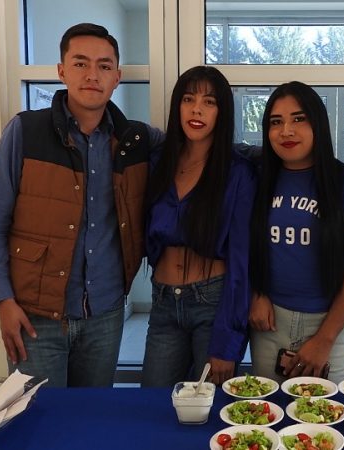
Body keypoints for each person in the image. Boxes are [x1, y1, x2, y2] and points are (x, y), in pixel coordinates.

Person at [0, 23, 164, 387]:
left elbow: (194, 147)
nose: (92, 75)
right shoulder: (25, 132)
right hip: (35, 317)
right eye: (80, 63)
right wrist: (3, 302)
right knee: (36, 415)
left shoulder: (135, 140)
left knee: (91, 416)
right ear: (61, 71)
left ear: (117, 77)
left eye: (104, 66)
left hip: (105, 316)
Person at [248, 81, 344, 384]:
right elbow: (243, 247)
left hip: (328, 324)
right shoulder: (256, 178)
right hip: (269, 322)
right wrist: (255, 294)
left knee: (322, 412)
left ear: (318, 123)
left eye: (298, 119)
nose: (286, 131)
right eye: (276, 122)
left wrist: (325, 338)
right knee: (267, 409)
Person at [141, 66, 256, 387]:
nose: (196, 110)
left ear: (222, 112)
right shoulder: (157, 162)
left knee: (209, 404)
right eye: (188, 99)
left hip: (212, 303)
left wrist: (228, 341)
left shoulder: (238, 173)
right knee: (153, 400)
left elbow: (242, 261)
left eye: (209, 102)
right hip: (163, 300)